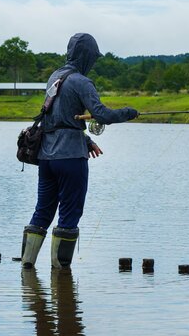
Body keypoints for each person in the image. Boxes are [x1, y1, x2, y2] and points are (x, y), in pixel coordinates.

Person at [21, 33, 138, 269]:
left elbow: (57, 119)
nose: (93, 62)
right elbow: (102, 114)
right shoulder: (83, 82)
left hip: (46, 158)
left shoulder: (55, 77)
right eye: (93, 58)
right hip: (70, 158)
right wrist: (128, 112)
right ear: (86, 56)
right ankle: (61, 272)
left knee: (42, 212)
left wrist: (85, 139)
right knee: (69, 214)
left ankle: (26, 267)